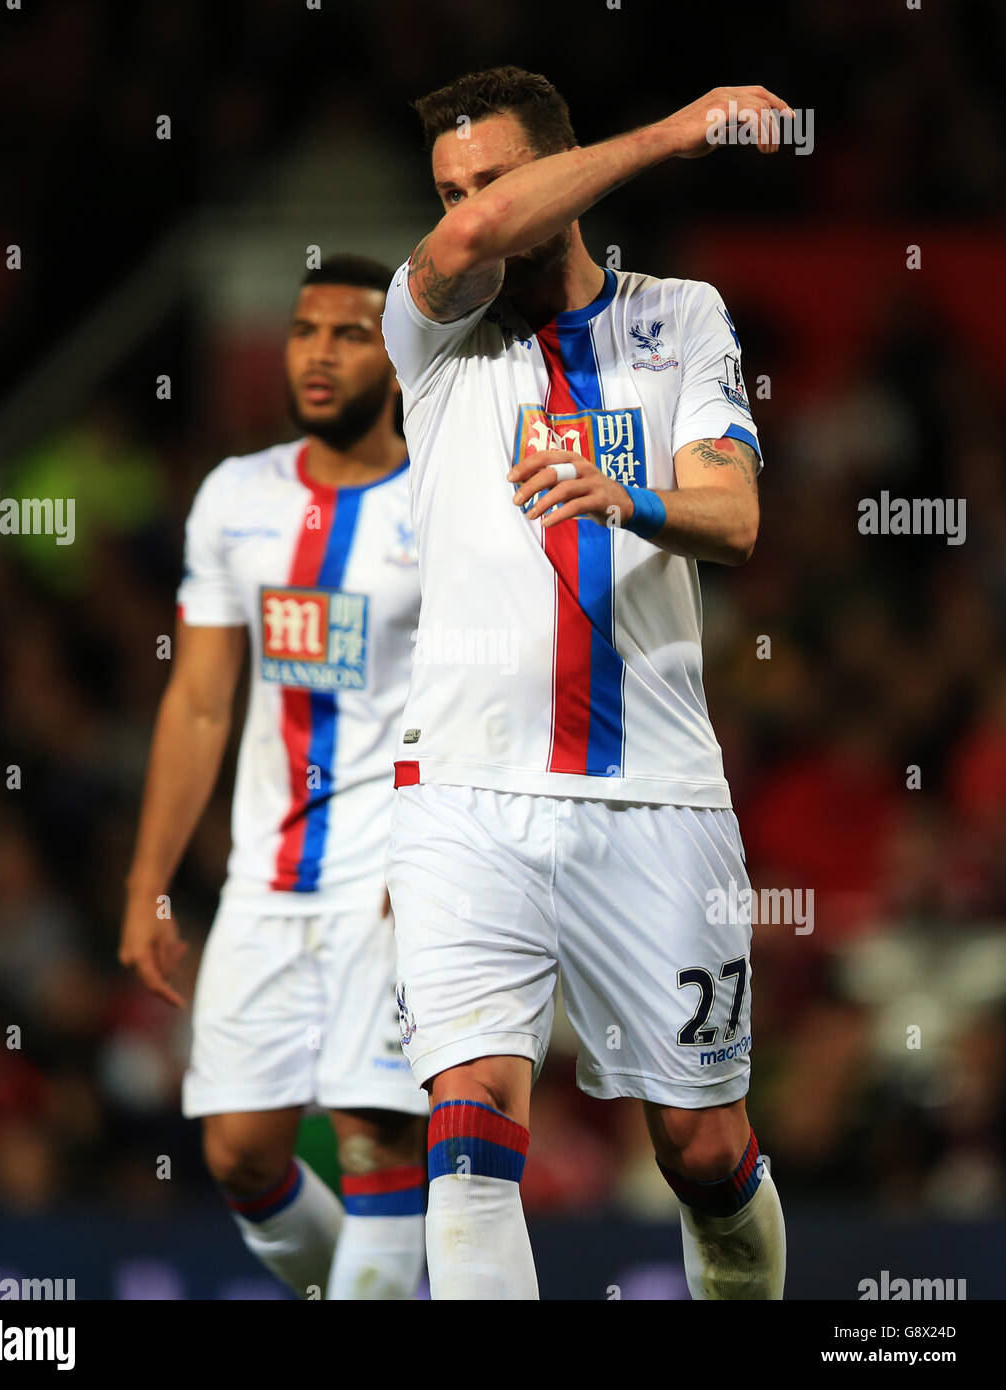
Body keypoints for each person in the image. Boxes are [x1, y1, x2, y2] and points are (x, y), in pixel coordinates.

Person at [381, 67, 790, 1299]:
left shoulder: (679, 316)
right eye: (448, 187)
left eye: (496, 179)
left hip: (654, 796)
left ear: (561, 179)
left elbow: (736, 518)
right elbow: (467, 243)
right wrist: (673, 133)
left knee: (702, 1149)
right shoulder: (429, 331)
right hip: (459, 791)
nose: (469, 212)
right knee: (467, 1138)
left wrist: (636, 497)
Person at [120, 255, 428, 1300]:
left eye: (349, 332)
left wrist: (441, 859)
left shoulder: (442, 499)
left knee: (376, 1138)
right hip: (265, 879)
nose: (320, 353)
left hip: (396, 876)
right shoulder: (233, 498)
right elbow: (199, 702)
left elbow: (490, 694)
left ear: (398, 352)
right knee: (241, 1156)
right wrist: (147, 883)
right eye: (305, 330)